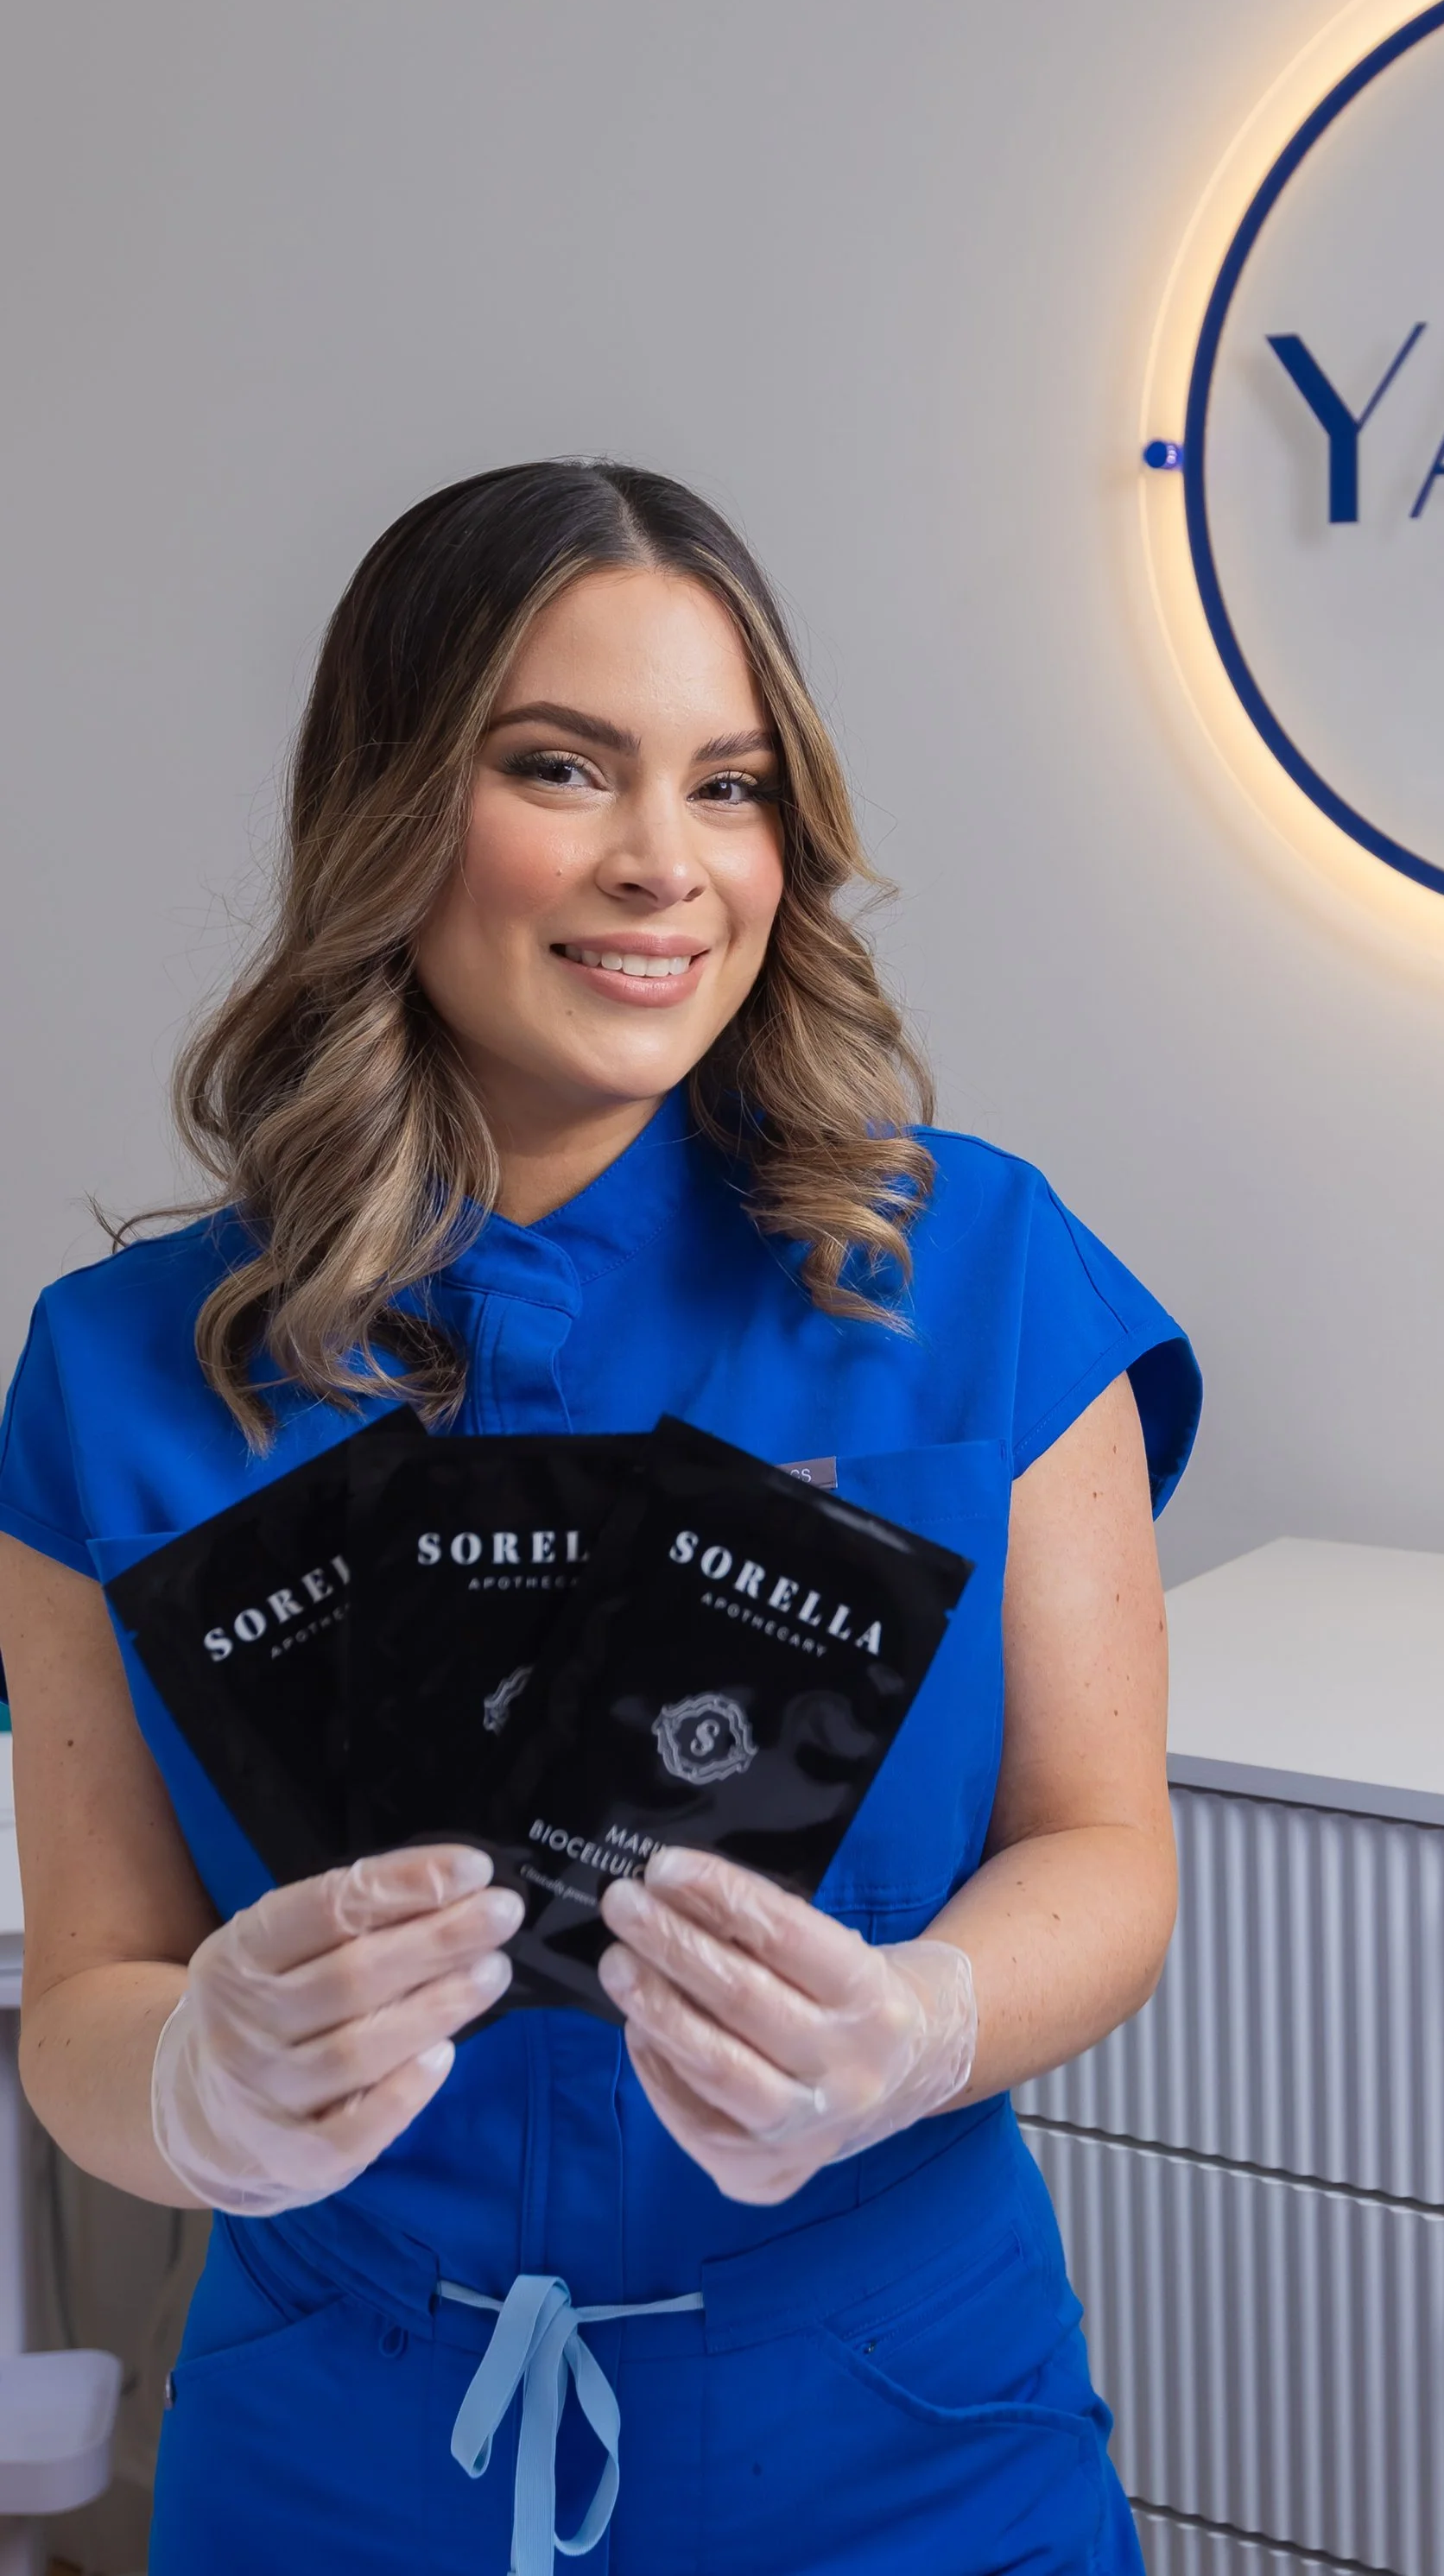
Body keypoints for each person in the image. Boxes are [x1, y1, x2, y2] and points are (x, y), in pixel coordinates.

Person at [0, 461, 1200, 2575]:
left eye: (729, 787)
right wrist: (193, 2084)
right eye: (560, 766)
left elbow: (1104, 1854)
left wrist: (916, 2028)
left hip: (894, 2446)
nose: (665, 862)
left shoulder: (980, 1279)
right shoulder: (118, 1374)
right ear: (387, 808)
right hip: (336, 2459)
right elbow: (88, 1995)